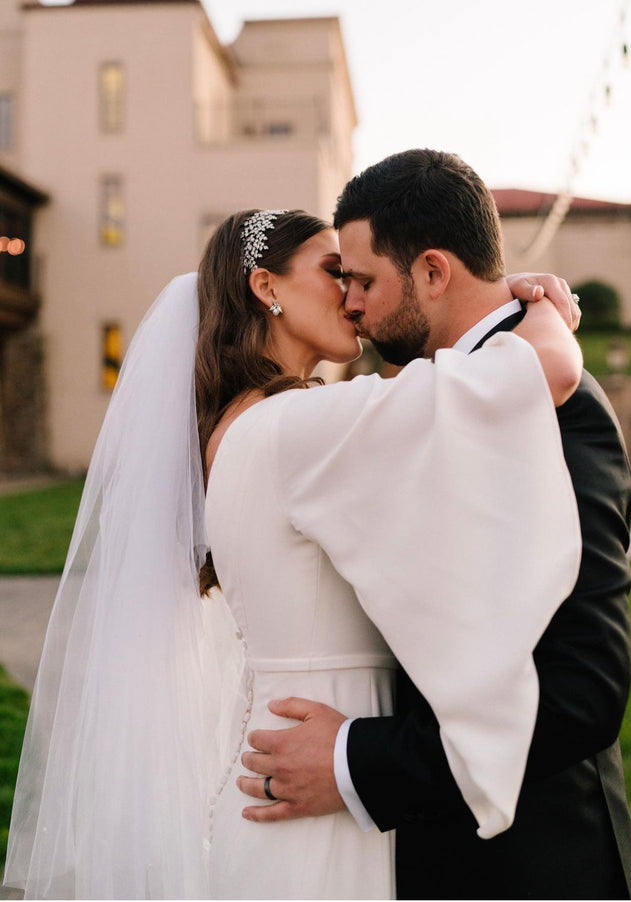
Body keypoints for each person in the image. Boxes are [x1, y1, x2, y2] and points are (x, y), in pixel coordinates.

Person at [4, 207, 582, 900]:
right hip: (315, 772)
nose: (353, 294)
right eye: (334, 271)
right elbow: (545, 371)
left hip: (280, 752)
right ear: (265, 287)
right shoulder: (296, 429)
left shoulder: (245, 427)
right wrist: (537, 301)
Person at [237, 151, 631, 901]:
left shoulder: (561, 410)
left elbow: (583, 690)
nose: (350, 303)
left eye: (361, 280)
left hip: (535, 864)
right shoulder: (417, 401)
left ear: (431, 272)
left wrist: (355, 761)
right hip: (425, 856)